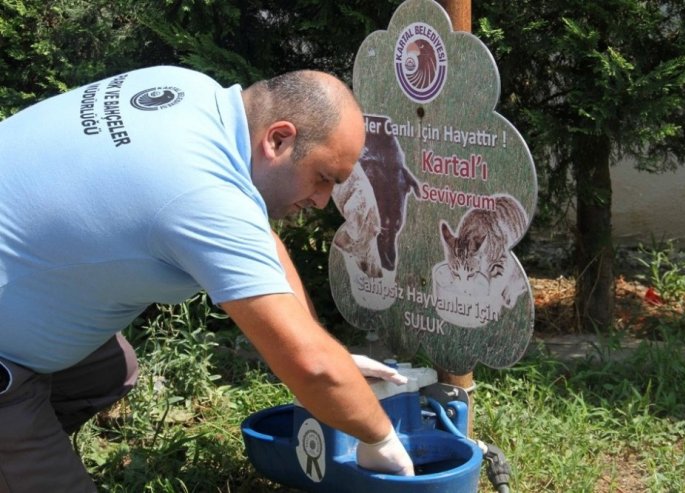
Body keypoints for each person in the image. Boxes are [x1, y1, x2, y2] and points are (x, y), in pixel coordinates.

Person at [0, 65, 415, 492]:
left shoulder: (191, 93)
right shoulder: (201, 195)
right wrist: (379, 437)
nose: (324, 200)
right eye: (324, 178)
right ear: (278, 139)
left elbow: (260, 239)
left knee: (107, 371)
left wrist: (330, 353)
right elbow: (310, 366)